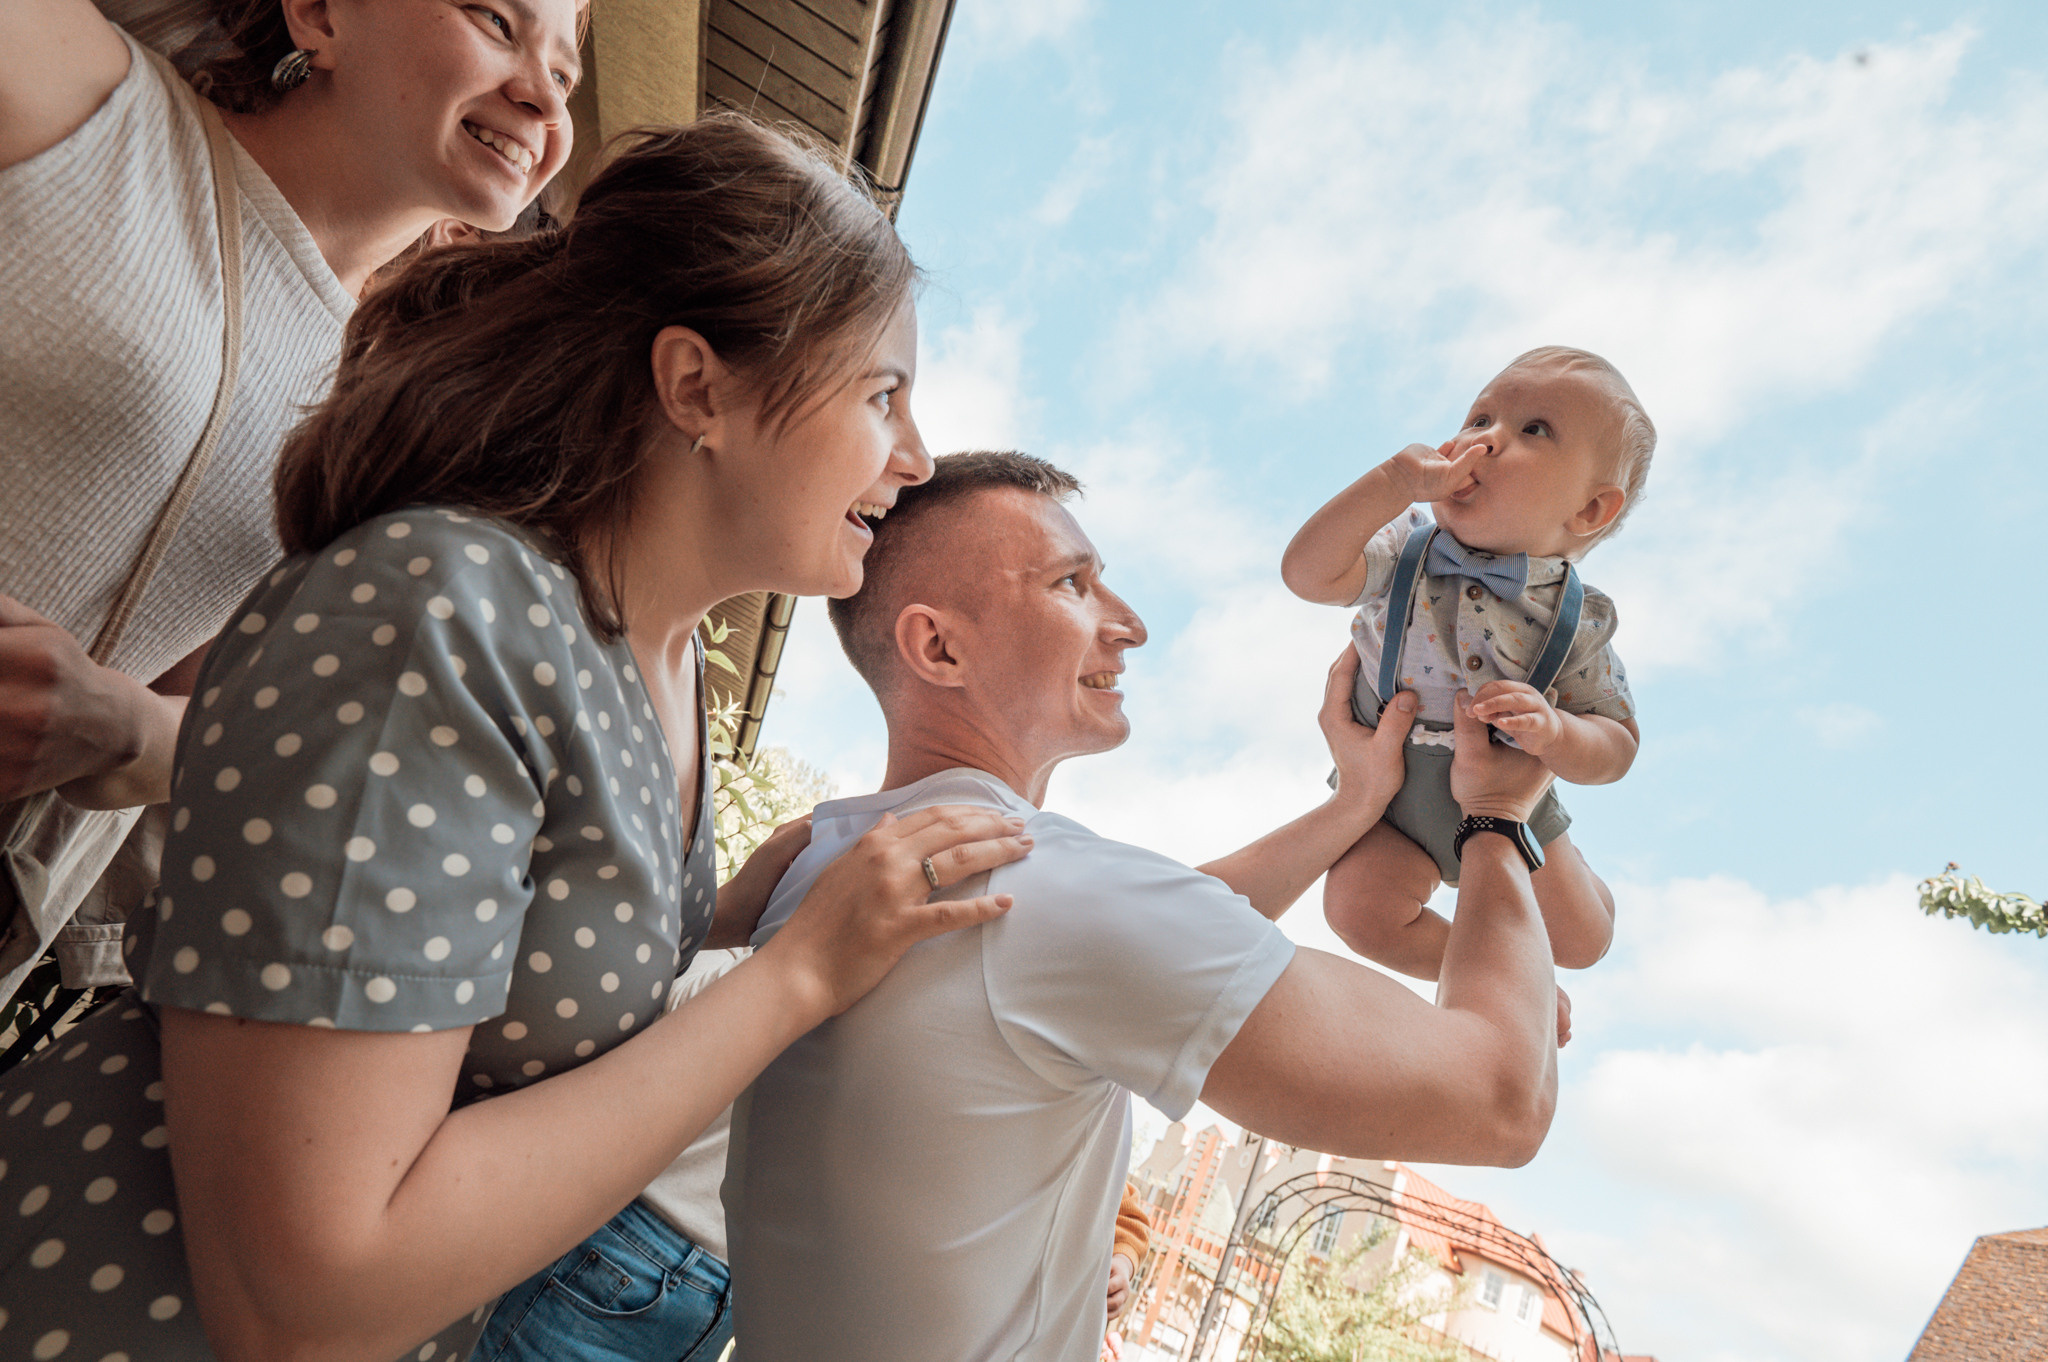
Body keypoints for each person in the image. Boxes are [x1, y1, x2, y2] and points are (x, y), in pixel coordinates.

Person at [0, 117, 1031, 1362]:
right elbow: (303, 1295)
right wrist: (793, 977)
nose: (914, 460)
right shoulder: (443, 605)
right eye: (883, 396)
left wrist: (722, 921)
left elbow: (509, 958)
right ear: (697, 386)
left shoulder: (664, 668)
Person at [723, 451, 1563, 1361]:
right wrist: (1496, 822)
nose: (1130, 626)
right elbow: (1502, 1099)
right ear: (939, 647)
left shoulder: (821, 864)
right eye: (1073, 584)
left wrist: (1351, 807)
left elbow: (1149, 930)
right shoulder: (1045, 895)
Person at [0, 0, 582, 994]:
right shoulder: (84, 100)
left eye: (566, 75)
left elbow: (226, 724)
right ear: (318, 14)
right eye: (496, 20)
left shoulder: (359, 417)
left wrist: (132, 735)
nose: (540, 95)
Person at [1280, 347, 1650, 990]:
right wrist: (1393, 483)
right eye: (1479, 420)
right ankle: (1501, 979)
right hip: (1389, 797)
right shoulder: (1403, 547)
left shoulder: (1577, 616)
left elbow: (1617, 746)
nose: (1485, 440)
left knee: (1582, 941)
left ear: (1590, 510)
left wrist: (1559, 734)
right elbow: (1306, 575)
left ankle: (1578, 888)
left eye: (1534, 429)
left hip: (1509, 799)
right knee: (1357, 909)